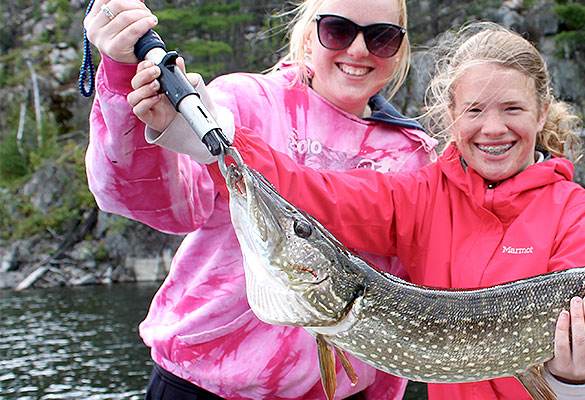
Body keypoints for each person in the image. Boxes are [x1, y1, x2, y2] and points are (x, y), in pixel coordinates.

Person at [134, 22, 585, 399]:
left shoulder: (573, 212)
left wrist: (575, 379)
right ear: (451, 117)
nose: (493, 128)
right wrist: (213, 140)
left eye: (513, 109)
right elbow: (317, 195)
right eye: (475, 110)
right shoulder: (420, 197)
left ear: (541, 113)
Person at [82, 0, 438, 398]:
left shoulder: (412, 156)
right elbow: (161, 206)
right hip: (199, 385)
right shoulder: (242, 102)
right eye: (338, 30)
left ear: (400, 49)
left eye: (381, 37)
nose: (358, 50)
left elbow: (396, 308)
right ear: (309, 36)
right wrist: (121, 75)